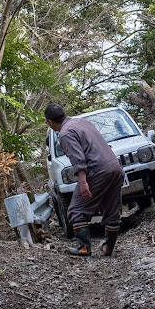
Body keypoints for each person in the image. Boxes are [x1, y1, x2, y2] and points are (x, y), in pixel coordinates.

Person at [44, 103, 125, 256]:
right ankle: (108, 247)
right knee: (112, 209)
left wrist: (82, 182)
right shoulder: (82, 122)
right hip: (115, 167)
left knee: (76, 210)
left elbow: (78, 159)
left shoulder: (65, 133)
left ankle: (83, 247)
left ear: (50, 122)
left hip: (98, 171)